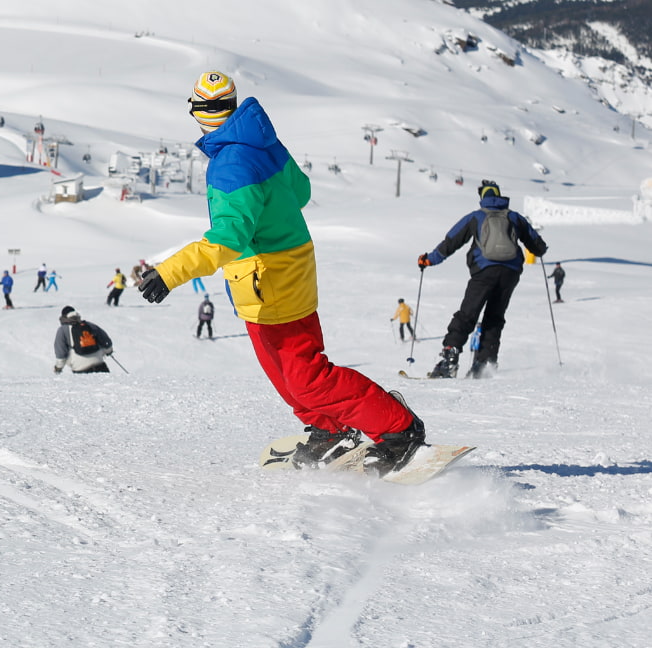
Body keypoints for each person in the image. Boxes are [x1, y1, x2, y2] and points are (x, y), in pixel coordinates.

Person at [139, 70, 424, 474]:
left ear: (198, 112)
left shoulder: (230, 163)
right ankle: (331, 430)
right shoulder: (262, 141)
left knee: (306, 378)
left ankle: (399, 428)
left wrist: (170, 273)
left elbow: (229, 238)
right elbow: (302, 190)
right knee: (287, 376)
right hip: (282, 270)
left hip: (270, 279)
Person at [418, 180, 548, 378]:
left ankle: (449, 360)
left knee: (467, 314)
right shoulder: (514, 217)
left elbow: (451, 241)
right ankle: (485, 364)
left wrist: (429, 260)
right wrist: (540, 250)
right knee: (494, 317)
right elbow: (537, 245)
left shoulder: (476, 217)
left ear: (482, 197)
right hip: (510, 272)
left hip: (484, 271)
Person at [53, 306, 113, 374]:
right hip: (99, 364)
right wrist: (109, 351)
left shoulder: (62, 330)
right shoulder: (89, 325)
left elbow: (61, 352)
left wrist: (58, 368)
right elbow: (106, 341)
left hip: (80, 368)